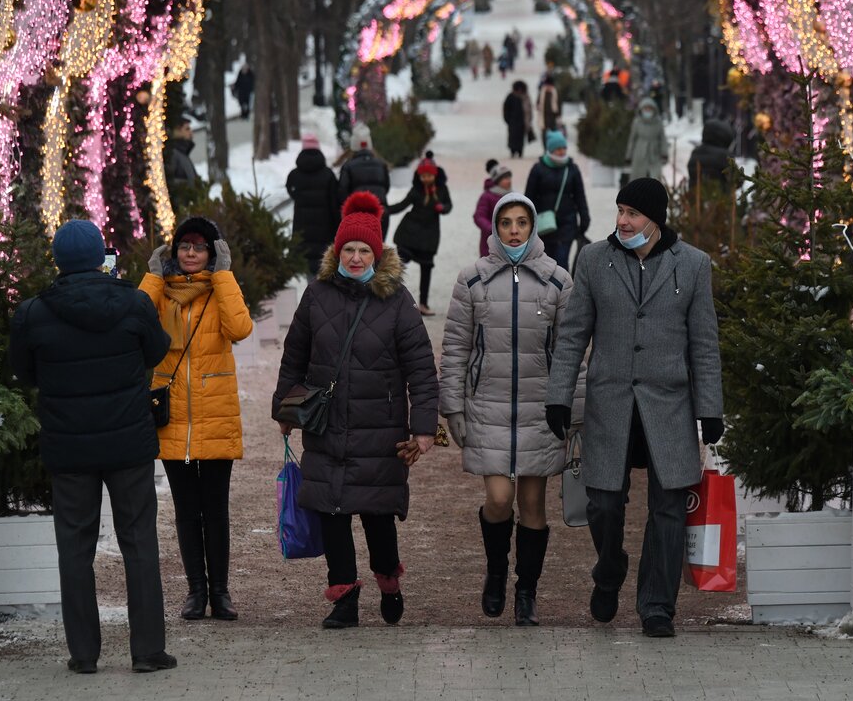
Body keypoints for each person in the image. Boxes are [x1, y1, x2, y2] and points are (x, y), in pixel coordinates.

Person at [544, 178, 724, 639]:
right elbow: (572, 337)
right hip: (611, 403)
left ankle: (657, 607)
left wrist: (710, 409)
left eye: (632, 213)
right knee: (603, 504)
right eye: (619, 211)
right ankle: (609, 569)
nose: (622, 221)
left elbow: (704, 344)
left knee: (668, 508)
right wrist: (559, 396)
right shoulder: (593, 261)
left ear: (655, 220)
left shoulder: (694, 266)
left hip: (669, 406)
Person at [9, 219, 176, 674]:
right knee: (139, 541)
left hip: (69, 447)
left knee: (74, 548)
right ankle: (147, 651)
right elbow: (155, 352)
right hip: (128, 441)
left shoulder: (32, 312)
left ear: (58, 260)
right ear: (101, 256)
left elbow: (25, 373)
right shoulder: (134, 302)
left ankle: (83, 654)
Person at [272, 192, 439, 629]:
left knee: (379, 516)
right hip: (326, 424)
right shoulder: (317, 295)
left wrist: (423, 429)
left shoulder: (398, 301)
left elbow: (421, 367)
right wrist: (285, 410)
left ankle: (389, 580)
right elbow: (294, 356)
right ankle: (344, 597)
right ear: (337, 251)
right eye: (350, 248)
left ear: (378, 254)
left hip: (380, 430)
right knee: (331, 513)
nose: (357, 256)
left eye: (366, 250)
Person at [440, 192, 574, 626]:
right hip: (489, 406)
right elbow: (456, 346)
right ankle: (496, 572)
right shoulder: (472, 280)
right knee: (499, 499)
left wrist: (575, 411)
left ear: (533, 227)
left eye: (521, 222)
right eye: (506, 223)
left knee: (534, 504)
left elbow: (572, 352)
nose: (513, 231)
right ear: (494, 228)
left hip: (541, 409)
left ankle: (526, 592)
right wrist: (453, 406)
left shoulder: (557, 281)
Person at [140, 217, 254, 624]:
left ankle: (220, 593)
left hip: (214, 413)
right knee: (187, 511)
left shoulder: (219, 289)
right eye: (184, 246)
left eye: (199, 247)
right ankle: (195, 591)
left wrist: (223, 275)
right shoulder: (162, 294)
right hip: (172, 417)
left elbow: (240, 327)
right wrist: (154, 278)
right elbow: (134, 325)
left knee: (215, 510)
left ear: (212, 252)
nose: (190, 253)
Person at [387, 151, 453, 316]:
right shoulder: (416, 190)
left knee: (426, 267)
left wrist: (442, 208)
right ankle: (389, 297)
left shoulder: (442, 189)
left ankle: (423, 303)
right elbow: (402, 205)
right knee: (400, 263)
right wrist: (384, 210)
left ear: (435, 175)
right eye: (423, 176)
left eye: (429, 176)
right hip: (409, 233)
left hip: (429, 237)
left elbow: (448, 206)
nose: (426, 179)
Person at [524, 130, 590, 271]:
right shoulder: (538, 169)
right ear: (551, 149)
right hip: (543, 226)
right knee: (545, 262)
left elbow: (580, 197)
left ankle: (562, 292)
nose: (562, 151)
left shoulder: (572, 169)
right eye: (558, 148)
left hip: (567, 224)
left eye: (564, 148)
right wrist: (527, 222)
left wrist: (584, 219)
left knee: (561, 262)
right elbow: (528, 198)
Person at [287, 133, 340, 280]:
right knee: (326, 272)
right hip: (325, 232)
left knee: (310, 274)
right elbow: (335, 203)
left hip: (302, 233)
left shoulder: (294, 175)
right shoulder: (328, 175)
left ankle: (312, 298)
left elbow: (290, 190)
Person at [338, 123, 392, 237]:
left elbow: (342, 192)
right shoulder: (381, 165)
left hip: (357, 218)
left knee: (361, 251)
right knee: (377, 250)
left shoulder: (348, 166)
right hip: (381, 214)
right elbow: (386, 187)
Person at [625, 97, 668, 183]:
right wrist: (628, 155)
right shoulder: (637, 122)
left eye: (649, 109)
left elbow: (662, 138)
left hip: (654, 153)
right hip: (639, 152)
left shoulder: (658, 122)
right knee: (638, 178)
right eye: (646, 108)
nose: (647, 111)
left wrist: (664, 153)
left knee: (655, 177)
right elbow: (632, 139)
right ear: (641, 109)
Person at [473, 160, 511, 257]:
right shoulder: (487, 196)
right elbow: (479, 216)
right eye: (505, 178)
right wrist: (492, 229)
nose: (509, 180)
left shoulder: (512, 195)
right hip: (490, 243)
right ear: (498, 181)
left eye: (509, 177)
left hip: (509, 240)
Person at [686, 119, 736, 192]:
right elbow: (736, 179)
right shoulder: (725, 156)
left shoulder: (695, 152)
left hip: (696, 199)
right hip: (721, 201)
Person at [502, 80, 533, 159]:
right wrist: (507, 120)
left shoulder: (525, 97)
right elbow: (506, 109)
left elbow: (529, 110)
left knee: (521, 139)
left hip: (522, 123)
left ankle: (520, 152)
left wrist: (529, 120)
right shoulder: (510, 97)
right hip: (513, 122)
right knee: (512, 138)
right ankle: (512, 151)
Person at [165, 120, 201, 186]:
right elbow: (168, 181)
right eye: (187, 129)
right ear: (177, 131)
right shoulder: (173, 153)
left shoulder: (183, 153)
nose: (191, 132)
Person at [536, 76, 560, 144]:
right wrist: (538, 106)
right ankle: (545, 148)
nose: (548, 87)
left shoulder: (555, 92)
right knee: (544, 134)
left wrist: (559, 115)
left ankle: (553, 147)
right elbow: (538, 102)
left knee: (554, 134)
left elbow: (559, 104)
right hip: (544, 116)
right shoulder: (542, 92)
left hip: (553, 117)